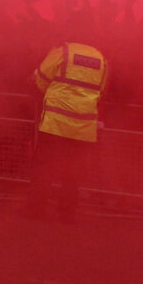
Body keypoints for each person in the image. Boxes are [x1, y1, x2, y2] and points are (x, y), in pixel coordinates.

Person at [31, 40, 107, 223]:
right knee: (73, 173)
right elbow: (101, 90)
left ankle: (36, 210)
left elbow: (40, 78)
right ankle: (66, 214)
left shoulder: (62, 51)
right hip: (83, 127)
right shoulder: (101, 58)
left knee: (44, 168)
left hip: (55, 123)